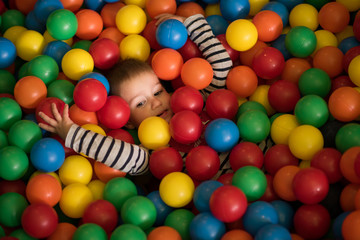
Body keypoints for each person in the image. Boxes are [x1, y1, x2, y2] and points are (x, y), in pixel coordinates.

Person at [38, 13, 272, 180]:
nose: (155, 102)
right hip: (226, 194)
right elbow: (117, 153)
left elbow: (221, 67)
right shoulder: (153, 152)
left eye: (158, 91)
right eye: (140, 103)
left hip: (270, 156)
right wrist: (70, 132)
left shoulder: (202, 102)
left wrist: (190, 26)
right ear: (127, 121)